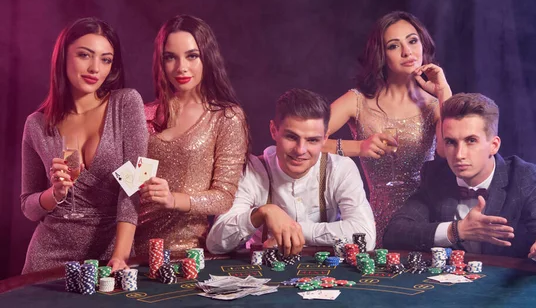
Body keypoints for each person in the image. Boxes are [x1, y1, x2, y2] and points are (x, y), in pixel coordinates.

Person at [20, 17, 147, 273]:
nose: (95, 68)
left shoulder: (126, 104)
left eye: (105, 59)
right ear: (63, 57)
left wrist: (120, 256)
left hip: (111, 254)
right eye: (84, 55)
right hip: (48, 257)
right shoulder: (36, 124)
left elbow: (133, 187)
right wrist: (54, 194)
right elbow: (28, 208)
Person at [383, 93, 536, 268]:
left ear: (493, 145)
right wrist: (456, 230)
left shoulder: (524, 176)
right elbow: (395, 233)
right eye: (450, 142)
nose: (459, 155)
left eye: (471, 140)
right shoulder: (435, 175)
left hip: (505, 292)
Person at [324, 11, 452, 246]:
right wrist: (358, 147)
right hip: (375, 218)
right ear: (381, 54)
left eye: (413, 41)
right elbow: (307, 141)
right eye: (394, 46)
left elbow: (449, 152)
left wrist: (444, 93)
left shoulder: (434, 106)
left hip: (424, 218)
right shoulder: (358, 101)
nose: (407, 52)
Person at [206, 88, 376, 256]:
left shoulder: (341, 169)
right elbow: (216, 244)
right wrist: (263, 213)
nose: (300, 150)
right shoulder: (251, 169)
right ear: (274, 131)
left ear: (325, 139)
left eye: (312, 140)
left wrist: (296, 229)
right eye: (291, 137)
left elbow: (365, 236)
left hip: (324, 275)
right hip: (262, 277)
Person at [135, 15, 249, 256]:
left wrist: (172, 199)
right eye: (170, 58)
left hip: (189, 253)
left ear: (207, 57)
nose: (181, 68)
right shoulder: (142, 113)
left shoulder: (226, 117)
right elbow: (128, 185)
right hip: (130, 250)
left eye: (191, 56)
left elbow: (224, 197)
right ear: (160, 62)